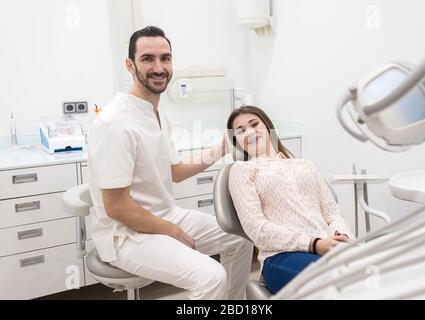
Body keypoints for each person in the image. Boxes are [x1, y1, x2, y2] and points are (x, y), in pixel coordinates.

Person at [87, 26, 253, 300]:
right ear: (130, 65)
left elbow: (174, 172)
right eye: (147, 58)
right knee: (212, 277)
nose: (158, 67)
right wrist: (172, 231)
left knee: (240, 236)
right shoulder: (114, 123)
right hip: (127, 235)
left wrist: (224, 146)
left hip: (164, 215)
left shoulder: (157, 115)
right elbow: (116, 207)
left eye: (165, 58)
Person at [227, 105, 354, 294]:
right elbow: (257, 229)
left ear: (269, 127)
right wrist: (314, 244)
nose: (250, 132)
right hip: (282, 255)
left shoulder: (305, 165)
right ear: (236, 140)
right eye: (241, 130)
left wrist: (342, 237)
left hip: (327, 244)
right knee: (337, 283)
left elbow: (332, 212)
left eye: (254, 124)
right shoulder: (242, 170)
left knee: (380, 273)